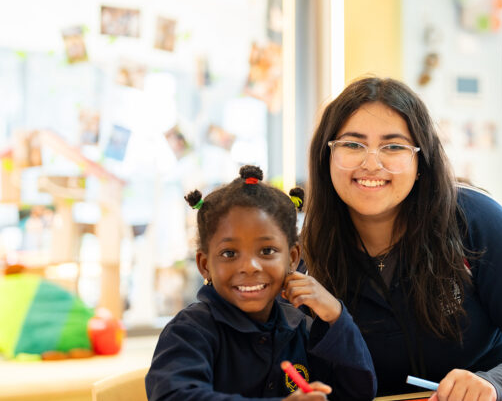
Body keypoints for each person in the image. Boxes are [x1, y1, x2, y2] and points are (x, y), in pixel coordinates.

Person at [301, 77, 502, 400]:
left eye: (393, 146)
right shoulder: (304, 253)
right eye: (352, 144)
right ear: (327, 156)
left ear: (421, 161)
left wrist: (492, 383)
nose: (371, 163)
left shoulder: (476, 221)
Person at [145, 166, 376, 400]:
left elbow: (358, 393)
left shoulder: (300, 327)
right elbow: (174, 396)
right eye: (229, 253)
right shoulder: (190, 331)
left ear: (293, 259)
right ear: (205, 265)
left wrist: (336, 315)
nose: (250, 266)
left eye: (267, 251)